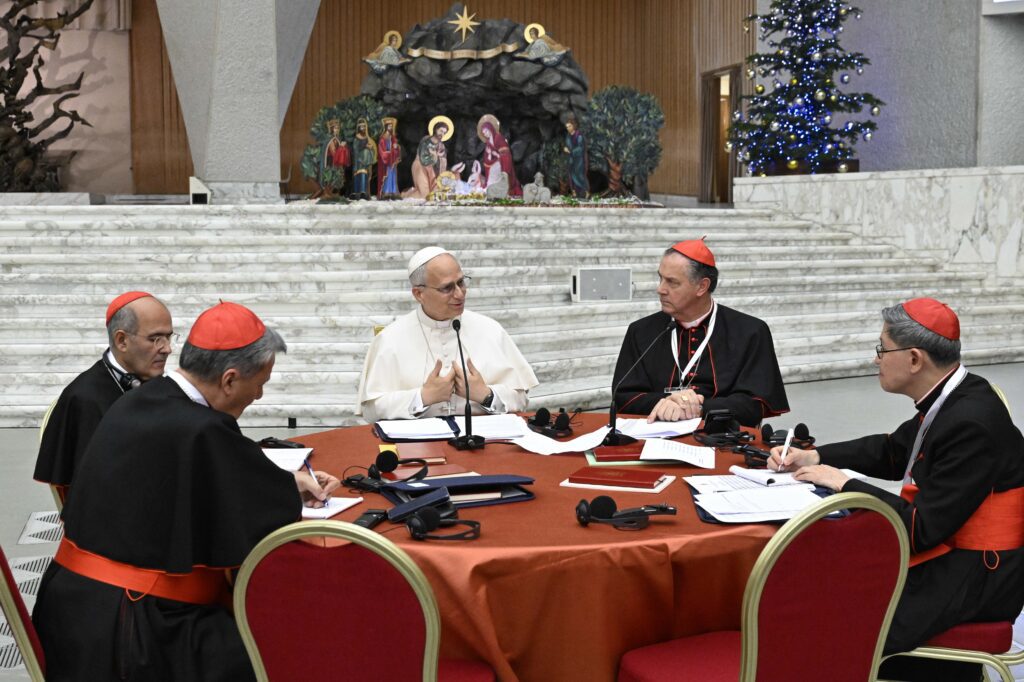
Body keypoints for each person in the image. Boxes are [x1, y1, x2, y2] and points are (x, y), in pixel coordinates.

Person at [32, 301, 340, 681]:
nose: (258, 396)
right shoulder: (201, 429)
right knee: (289, 648)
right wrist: (288, 495)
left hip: (71, 611)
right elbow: (252, 515)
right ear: (228, 380)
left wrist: (285, 484)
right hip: (134, 631)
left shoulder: (139, 399)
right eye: (259, 384)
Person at [770, 298, 1024, 682]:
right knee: (819, 578)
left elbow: (920, 530)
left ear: (915, 359)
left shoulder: (970, 420)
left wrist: (844, 484)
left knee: (827, 613)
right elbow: (892, 450)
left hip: (977, 576)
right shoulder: (953, 395)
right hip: (953, 556)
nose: (876, 359)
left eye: (881, 349)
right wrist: (814, 456)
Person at [612, 239, 788, 426]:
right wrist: (667, 402)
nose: (660, 289)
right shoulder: (641, 331)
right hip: (654, 435)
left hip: (722, 437)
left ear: (702, 287)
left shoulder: (750, 331)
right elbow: (623, 398)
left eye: (672, 282)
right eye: (660, 278)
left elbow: (755, 405)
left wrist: (700, 407)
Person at [357, 246, 538, 422]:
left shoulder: (491, 329)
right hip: (418, 447)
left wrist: (486, 395)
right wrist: (422, 398)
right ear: (419, 293)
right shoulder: (390, 339)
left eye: (461, 282)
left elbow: (521, 399)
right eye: (447, 288)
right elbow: (371, 412)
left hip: (481, 443)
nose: (459, 294)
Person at [34, 291, 174, 503]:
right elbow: (95, 494)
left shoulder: (157, 381)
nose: (167, 349)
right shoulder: (85, 400)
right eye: (155, 339)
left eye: (169, 337)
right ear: (122, 341)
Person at [405, 116, 452, 200]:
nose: (442, 134)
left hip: (432, 170)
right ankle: (405, 195)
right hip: (420, 166)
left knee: (434, 194)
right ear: (435, 129)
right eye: (441, 131)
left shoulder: (441, 146)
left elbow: (442, 162)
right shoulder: (426, 140)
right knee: (424, 195)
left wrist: (440, 158)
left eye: (444, 133)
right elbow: (423, 159)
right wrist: (435, 156)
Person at [479, 117, 522, 197]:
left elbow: (506, 153)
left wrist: (495, 154)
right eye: (483, 133)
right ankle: (491, 189)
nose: (485, 134)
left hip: (501, 163)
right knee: (492, 171)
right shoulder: (488, 143)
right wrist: (489, 154)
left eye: (485, 131)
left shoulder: (498, 138)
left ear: (490, 129)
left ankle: (500, 189)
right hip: (493, 164)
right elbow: (487, 160)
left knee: (496, 169)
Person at [350, 117, 376, 200]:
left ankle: (363, 192)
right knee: (358, 175)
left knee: (364, 175)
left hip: (365, 162)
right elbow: (355, 149)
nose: (363, 128)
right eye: (361, 127)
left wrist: (370, 148)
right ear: (358, 128)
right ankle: (356, 192)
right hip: (358, 162)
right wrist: (365, 146)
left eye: (364, 127)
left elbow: (372, 149)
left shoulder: (367, 138)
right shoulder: (356, 138)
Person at [377, 116, 402, 200]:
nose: (390, 128)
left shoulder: (393, 138)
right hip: (387, 161)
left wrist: (396, 147)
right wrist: (390, 153)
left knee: (393, 175)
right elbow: (382, 152)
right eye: (389, 126)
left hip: (392, 160)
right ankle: (386, 192)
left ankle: (393, 192)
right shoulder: (382, 139)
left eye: (391, 126)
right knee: (387, 175)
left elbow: (397, 148)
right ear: (386, 127)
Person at [563, 117, 589, 198]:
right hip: (571, 160)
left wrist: (570, 151)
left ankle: (586, 192)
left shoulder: (579, 136)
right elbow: (568, 145)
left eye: (569, 126)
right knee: (571, 175)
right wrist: (565, 149)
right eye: (567, 127)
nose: (568, 128)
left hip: (579, 160)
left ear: (573, 126)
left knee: (579, 175)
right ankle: (574, 192)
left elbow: (581, 148)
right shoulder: (568, 136)